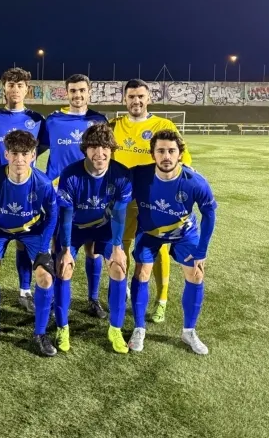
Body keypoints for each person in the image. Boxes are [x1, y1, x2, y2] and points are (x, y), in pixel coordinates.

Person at [109, 79, 192, 323]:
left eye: (140, 96)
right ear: (124, 99)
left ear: (149, 98)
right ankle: (122, 289)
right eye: (131, 96)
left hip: (154, 199)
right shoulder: (114, 125)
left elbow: (183, 159)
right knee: (120, 245)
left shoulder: (163, 125)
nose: (136, 101)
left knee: (159, 248)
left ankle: (161, 300)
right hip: (122, 199)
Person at [128, 130, 216, 355]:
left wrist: (202, 250)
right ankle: (139, 328)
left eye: (171, 151)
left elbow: (209, 215)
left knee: (196, 273)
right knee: (141, 272)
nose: (166, 156)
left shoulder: (195, 182)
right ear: (153, 154)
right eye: (160, 151)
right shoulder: (139, 175)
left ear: (180, 154)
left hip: (184, 233)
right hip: (149, 232)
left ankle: (189, 331)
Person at [0, 130, 58, 356]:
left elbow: (52, 215)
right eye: (14, 153)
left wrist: (44, 247)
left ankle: (40, 333)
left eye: (25, 154)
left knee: (45, 277)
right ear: (6, 155)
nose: (19, 159)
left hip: (32, 231)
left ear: (33, 155)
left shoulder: (43, 183)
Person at [55, 123, 132, 353]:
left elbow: (119, 214)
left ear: (112, 149)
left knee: (119, 267)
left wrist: (117, 247)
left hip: (104, 228)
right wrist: (65, 250)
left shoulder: (122, 174)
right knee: (63, 268)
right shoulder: (70, 174)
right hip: (74, 228)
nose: (100, 153)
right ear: (85, 150)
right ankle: (62, 327)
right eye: (93, 147)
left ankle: (115, 329)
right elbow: (65, 216)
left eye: (105, 147)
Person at [43, 74, 108, 318]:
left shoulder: (99, 120)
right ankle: (54, 299)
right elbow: (37, 148)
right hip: (59, 194)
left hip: (90, 194)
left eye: (82, 90)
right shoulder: (53, 121)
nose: (77, 95)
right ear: (66, 93)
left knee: (93, 249)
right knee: (59, 246)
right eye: (73, 90)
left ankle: (93, 299)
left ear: (89, 92)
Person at [0, 68, 47, 313]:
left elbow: (39, 149)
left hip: (26, 190)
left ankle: (24, 291)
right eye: (11, 85)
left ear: (27, 89)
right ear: (4, 88)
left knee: (23, 240)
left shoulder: (37, 120)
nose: (15, 90)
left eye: (20, 85)